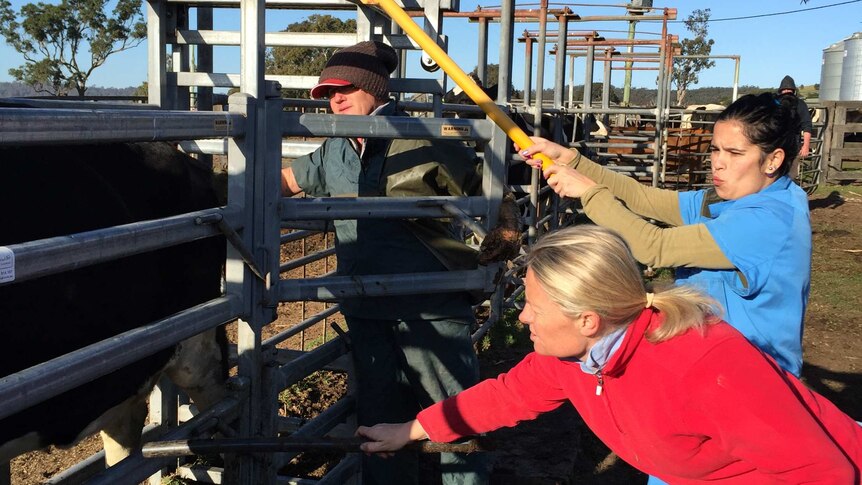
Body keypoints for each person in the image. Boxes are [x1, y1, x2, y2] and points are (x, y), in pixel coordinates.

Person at [357, 225, 862, 484]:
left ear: (587, 320)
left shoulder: (707, 366)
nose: (522, 319)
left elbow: (820, 472)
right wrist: (409, 430)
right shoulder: (575, 360)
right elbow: (505, 397)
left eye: (531, 307)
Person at [280, 40, 519, 485]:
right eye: (328, 92)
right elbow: (287, 181)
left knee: (456, 413)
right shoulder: (334, 148)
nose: (335, 98)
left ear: (373, 88)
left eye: (345, 88)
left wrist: (505, 215)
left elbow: (485, 183)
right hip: (364, 302)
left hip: (428, 301)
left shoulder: (424, 136)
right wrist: (215, 191)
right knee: (380, 418)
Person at [515, 93, 811, 379]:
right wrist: (572, 160)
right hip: (716, 362)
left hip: (755, 375)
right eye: (715, 149)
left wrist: (590, 193)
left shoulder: (769, 220)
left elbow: (654, 247)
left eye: (734, 153)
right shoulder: (733, 198)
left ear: (773, 160)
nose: (718, 162)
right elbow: (646, 199)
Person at [778, 75, 814, 160]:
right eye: (784, 89)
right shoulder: (775, 103)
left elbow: (807, 125)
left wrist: (806, 146)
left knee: (791, 170)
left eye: (789, 89)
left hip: (793, 145)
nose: (786, 91)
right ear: (780, 91)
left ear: (793, 91)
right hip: (776, 144)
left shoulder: (800, 104)